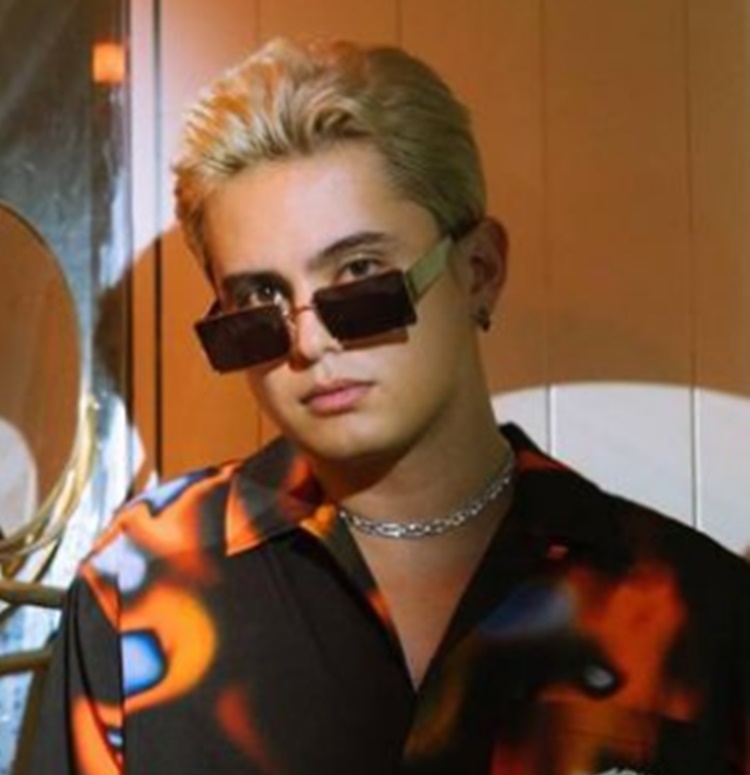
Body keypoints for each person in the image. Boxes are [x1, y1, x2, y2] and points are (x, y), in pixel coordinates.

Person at [32, 37, 749, 775]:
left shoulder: (691, 605)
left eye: (359, 272)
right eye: (259, 299)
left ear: (478, 271)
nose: (309, 342)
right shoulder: (140, 580)